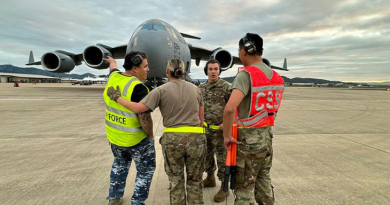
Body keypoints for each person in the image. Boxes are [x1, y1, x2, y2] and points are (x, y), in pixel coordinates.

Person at [106, 59, 206, 205]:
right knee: (195, 180)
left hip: (173, 140)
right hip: (196, 138)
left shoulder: (161, 90)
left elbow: (138, 108)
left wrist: (117, 97)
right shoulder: (196, 89)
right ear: (183, 72)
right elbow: (201, 119)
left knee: (176, 180)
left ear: (167, 72)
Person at [222, 33, 284, 205]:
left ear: (244, 51)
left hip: (248, 143)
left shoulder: (246, 75)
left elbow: (229, 109)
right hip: (267, 138)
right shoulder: (276, 77)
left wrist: (227, 136)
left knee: (244, 189)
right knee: (264, 182)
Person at [103, 52, 156, 205]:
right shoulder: (138, 88)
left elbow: (113, 68)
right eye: (145, 66)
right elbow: (145, 119)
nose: (147, 69)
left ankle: (114, 197)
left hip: (115, 137)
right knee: (145, 171)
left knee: (119, 165)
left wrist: (112, 61)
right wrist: (150, 136)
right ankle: (137, 202)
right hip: (136, 140)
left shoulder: (113, 78)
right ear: (134, 68)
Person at [198, 59, 231, 202]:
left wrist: (227, 123)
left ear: (219, 71)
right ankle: (210, 178)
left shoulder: (226, 87)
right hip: (206, 130)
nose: (213, 71)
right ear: (207, 71)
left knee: (223, 159)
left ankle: (225, 188)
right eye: (210, 69)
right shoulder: (201, 88)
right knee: (207, 156)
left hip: (220, 131)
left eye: (216, 69)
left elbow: (235, 107)